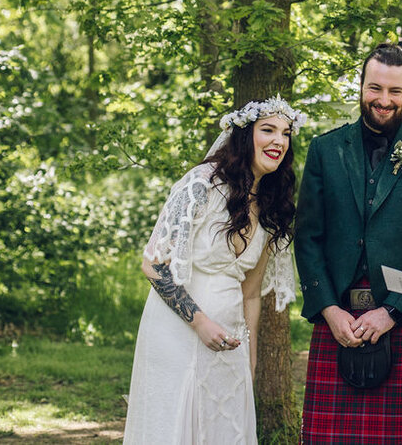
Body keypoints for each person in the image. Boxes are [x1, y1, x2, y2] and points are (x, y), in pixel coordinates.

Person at [295, 42, 402, 444]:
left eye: (395, 91)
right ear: (362, 86)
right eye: (375, 88)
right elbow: (308, 236)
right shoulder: (325, 150)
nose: (383, 100)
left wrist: (391, 312)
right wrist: (329, 309)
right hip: (338, 319)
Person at [123, 96, 304, 445]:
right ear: (244, 135)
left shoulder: (270, 205)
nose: (278, 141)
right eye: (267, 130)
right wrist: (200, 323)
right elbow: (153, 263)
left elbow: (251, 293)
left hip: (230, 340)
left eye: (285, 133)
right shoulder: (201, 184)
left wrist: (248, 363)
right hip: (178, 332)